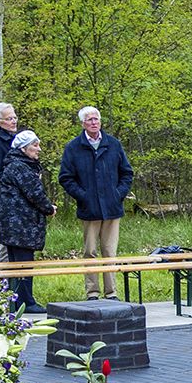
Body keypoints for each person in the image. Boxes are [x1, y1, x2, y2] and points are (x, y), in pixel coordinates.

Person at [58, 106, 134, 299]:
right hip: (89, 209)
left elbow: (127, 173)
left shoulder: (113, 144)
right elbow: (66, 178)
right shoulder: (74, 147)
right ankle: (92, 292)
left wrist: (118, 194)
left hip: (112, 208)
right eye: (90, 119)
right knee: (90, 252)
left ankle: (111, 293)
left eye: (96, 119)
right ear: (83, 123)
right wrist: (83, 196)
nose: (94, 122)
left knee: (110, 252)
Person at [0, 130, 57, 313]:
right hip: (20, 226)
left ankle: (19, 301)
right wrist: (49, 208)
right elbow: (35, 193)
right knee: (23, 266)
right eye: (35, 145)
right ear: (23, 148)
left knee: (17, 266)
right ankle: (26, 303)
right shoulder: (20, 167)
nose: (39, 149)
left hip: (15, 226)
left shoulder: (15, 165)